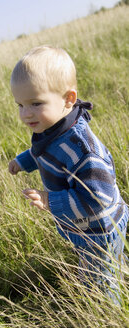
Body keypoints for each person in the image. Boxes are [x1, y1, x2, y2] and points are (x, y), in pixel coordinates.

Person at [8, 45, 128, 304]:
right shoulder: (53, 127)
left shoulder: (83, 148)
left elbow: (98, 198)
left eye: (35, 103)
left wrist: (51, 201)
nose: (25, 113)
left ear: (68, 99)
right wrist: (23, 161)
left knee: (98, 281)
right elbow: (45, 152)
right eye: (20, 104)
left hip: (100, 227)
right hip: (86, 225)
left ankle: (109, 312)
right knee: (111, 265)